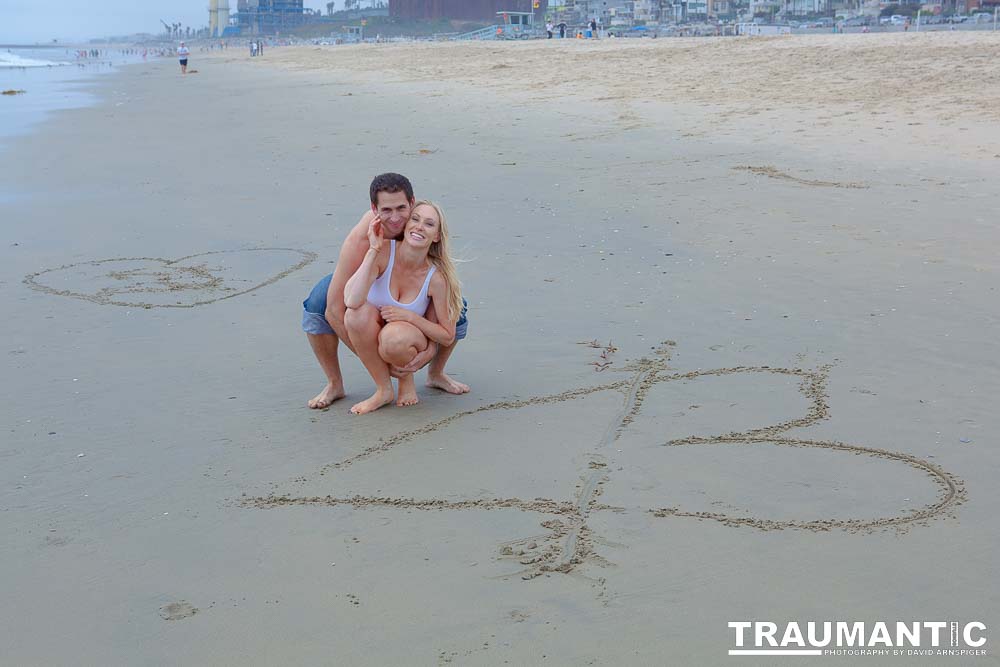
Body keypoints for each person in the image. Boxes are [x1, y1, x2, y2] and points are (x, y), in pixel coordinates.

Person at [301, 173, 469, 410]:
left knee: (456, 305)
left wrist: (428, 351)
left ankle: (436, 373)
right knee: (319, 302)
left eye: (401, 208)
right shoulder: (364, 237)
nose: (395, 218)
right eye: (386, 210)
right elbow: (336, 310)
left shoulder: (420, 219)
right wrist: (382, 365)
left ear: (412, 202)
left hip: (414, 290)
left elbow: (444, 327)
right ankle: (335, 383)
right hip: (368, 280)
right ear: (374, 209)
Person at [343, 201, 462, 414]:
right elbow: (351, 301)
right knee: (354, 316)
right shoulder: (383, 252)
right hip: (371, 327)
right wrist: (373, 249)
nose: (419, 227)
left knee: (394, 338)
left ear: (436, 236)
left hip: (405, 337)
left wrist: (409, 316)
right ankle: (383, 389)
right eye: (415, 219)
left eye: (429, 224)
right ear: (406, 225)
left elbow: (447, 335)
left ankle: (406, 380)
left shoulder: (436, 279)